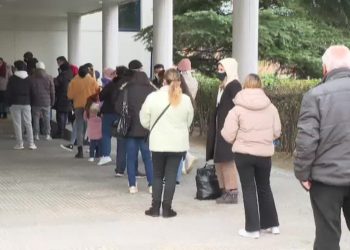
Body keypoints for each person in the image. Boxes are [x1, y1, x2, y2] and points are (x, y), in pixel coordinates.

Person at [294, 45, 350, 250]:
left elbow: (306, 141)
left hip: (326, 180)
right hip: (328, 177)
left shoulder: (315, 96)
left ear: (325, 68)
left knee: (327, 236)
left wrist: (302, 173)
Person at [221, 74, 281, 239]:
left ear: (245, 85)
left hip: (244, 154)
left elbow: (227, 134)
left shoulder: (237, 108)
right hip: (264, 154)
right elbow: (277, 132)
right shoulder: (271, 107)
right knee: (265, 187)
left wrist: (237, 139)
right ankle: (272, 224)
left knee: (248, 189)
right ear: (260, 86)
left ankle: (252, 229)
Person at [140, 68, 194, 217]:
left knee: (157, 175)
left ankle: (155, 208)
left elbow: (144, 120)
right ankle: (167, 208)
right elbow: (189, 121)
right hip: (177, 144)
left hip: (158, 142)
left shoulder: (153, 97)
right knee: (171, 176)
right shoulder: (186, 99)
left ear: (164, 80)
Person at [115, 59, 155, 194]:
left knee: (130, 158)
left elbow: (118, 106)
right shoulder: (151, 88)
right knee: (148, 158)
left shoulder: (127, 88)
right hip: (146, 130)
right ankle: (151, 185)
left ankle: (132, 185)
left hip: (130, 128)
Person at [206, 58, 241, 204]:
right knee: (219, 159)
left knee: (227, 159)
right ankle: (224, 189)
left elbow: (238, 105)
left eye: (222, 69)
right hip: (220, 127)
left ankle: (232, 191)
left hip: (228, 128)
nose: (219, 72)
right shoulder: (224, 85)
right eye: (218, 69)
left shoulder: (234, 85)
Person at [98, 66, 129, 166]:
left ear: (116, 74)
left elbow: (101, 96)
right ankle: (122, 158)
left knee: (106, 133)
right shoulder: (129, 85)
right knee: (122, 135)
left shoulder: (111, 84)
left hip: (109, 111)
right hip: (123, 112)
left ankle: (106, 155)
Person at [67, 65, 99, 158]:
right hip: (90, 107)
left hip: (78, 106)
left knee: (79, 128)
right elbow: (97, 91)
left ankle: (80, 151)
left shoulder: (73, 81)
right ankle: (95, 150)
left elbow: (70, 96)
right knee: (93, 127)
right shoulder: (92, 80)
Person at [6, 60, 36, 150]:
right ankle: (31, 143)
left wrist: (9, 103)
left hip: (14, 103)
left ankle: (20, 144)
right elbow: (33, 92)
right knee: (28, 123)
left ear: (16, 68)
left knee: (17, 124)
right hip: (27, 103)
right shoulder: (29, 78)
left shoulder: (12, 78)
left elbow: (8, 92)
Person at [29, 62, 55, 140]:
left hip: (35, 101)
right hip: (47, 102)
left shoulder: (32, 78)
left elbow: (30, 91)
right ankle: (47, 134)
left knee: (35, 118)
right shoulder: (49, 77)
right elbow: (52, 91)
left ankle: (36, 135)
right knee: (47, 118)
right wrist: (52, 101)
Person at [53, 57, 74, 139]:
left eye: (58, 62)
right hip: (68, 96)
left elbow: (58, 83)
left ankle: (60, 132)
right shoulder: (70, 73)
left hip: (62, 96)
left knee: (60, 114)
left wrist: (55, 80)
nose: (58, 64)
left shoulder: (63, 74)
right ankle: (62, 131)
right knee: (65, 114)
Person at [84, 96, 102, 162]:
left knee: (92, 144)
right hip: (99, 130)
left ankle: (91, 157)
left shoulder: (87, 110)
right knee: (100, 144)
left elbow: (85, 118)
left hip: (91, 130)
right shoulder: (98, 107)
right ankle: (100, 156)